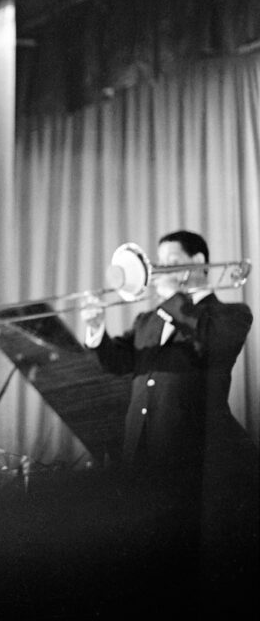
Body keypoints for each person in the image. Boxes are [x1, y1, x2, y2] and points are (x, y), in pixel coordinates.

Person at [82, 230, 258, 604]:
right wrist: (96, 330)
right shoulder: (148, 319)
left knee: (191, 565)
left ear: (197, 263)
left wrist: (173, 298)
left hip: (196, 458)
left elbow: (212, 345)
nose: (158, 269)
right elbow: (119, 362)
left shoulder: (230, 315)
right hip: (141, 452)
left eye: (170, 261)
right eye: (157, 261)